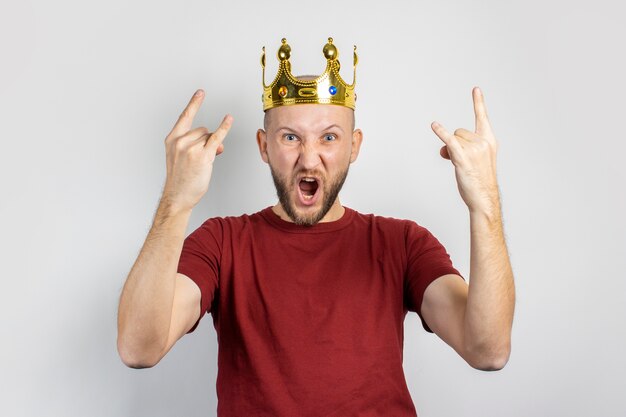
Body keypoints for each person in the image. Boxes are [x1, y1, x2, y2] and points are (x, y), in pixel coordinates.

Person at [117, 37, 515, 416]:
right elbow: (139, 348)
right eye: (290, 137)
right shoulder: (222, 243)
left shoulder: (403, 243)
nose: (309, 159)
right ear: (263, 145)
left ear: (354, 146)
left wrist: (485, 206)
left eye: (329, 137)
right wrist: (175, 201)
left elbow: (487, 351)